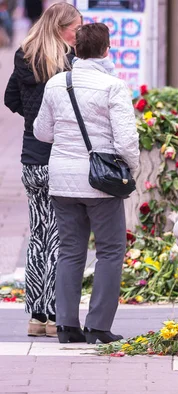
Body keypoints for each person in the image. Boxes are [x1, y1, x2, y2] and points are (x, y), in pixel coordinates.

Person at [33, 23, 140, 344]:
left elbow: (42, 132)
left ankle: (66, 326)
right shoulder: (113, 86)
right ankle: (98, 326)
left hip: (62, 181)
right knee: (109, 251)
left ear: (75, 49)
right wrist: (130, 170)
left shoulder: (56, 84)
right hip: (100, 182)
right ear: (107, 49)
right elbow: (125, 141)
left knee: (69, 251)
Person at [4, 2, 82, 338]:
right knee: (61, 238)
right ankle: (52, 313)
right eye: (75, 28)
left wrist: (32, 117)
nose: (79, 33)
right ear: (61, 27)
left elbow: (10, 98)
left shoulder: (25, 55)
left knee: (39, 235)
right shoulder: (68, 62)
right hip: (59, 158)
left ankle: (36, 314)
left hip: (31, 158)